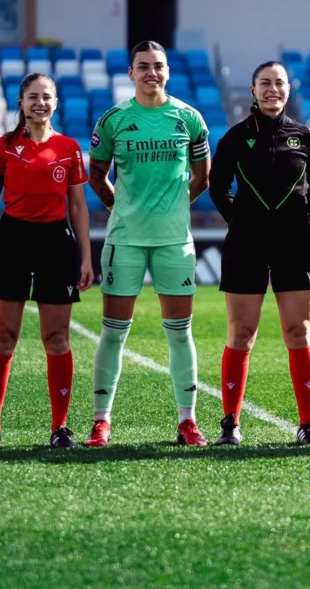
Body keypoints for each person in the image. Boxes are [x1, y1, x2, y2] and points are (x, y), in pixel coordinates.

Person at [84, 40, 211, 448]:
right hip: (126, 240)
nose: (151, 72)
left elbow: (202, 177)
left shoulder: (189, 118)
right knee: (114, 332)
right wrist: (120, 207)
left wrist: (174, 208)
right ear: (131, 73)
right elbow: (97, 174)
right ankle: (101, 421)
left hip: (175, 241)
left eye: (158, 66)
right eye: (143, 66)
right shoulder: (114, 120)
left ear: (168, 71)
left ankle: (187, 421)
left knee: (179, 332)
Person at [0, 72, 94, 451]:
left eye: (47, 96)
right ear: (20, 103)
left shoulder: (70, 148)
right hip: (11, 242)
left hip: (57, 243)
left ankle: (60, 428)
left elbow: (77, 207)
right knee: (3, 337)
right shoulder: (3, 147)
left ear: (56, 103)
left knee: (56, 338)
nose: (40, 103)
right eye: (33, 97)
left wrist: (87, 257)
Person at [208, 61, 310, 447]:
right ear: (253, 89)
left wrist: (298, 219)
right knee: (241, 334)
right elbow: (218, 187)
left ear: (288, 90)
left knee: (299, 332)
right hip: (245, 245)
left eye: (279, 83)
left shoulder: (306, 137)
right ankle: (230, 423)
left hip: (295, 245)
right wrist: (241, 220)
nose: (272, 89)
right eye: (265, 83)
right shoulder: (235, 137)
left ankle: (308, 424)